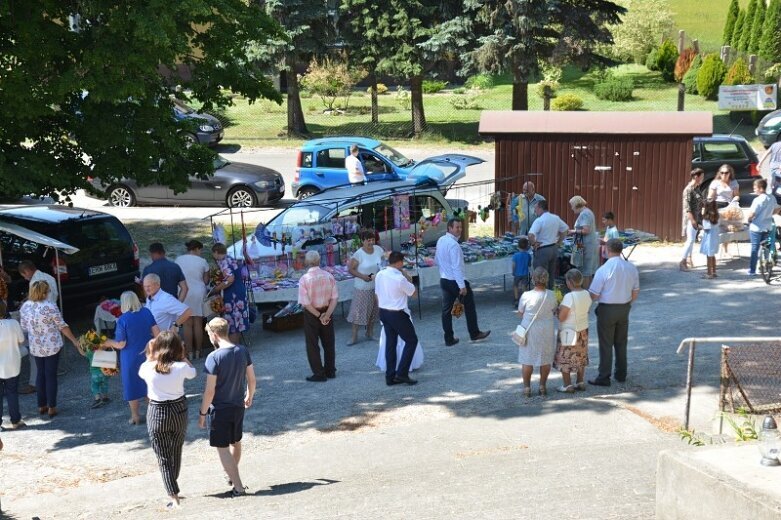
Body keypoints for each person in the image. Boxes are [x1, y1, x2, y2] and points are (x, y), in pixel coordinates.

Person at [198, 317, 256, 497]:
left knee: (222, 448)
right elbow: (252, 379)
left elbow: (209, 391)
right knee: (236, 442)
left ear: (214, 335)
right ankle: (232, 474)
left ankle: (238, 486)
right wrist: (249, 395)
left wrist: (202, 413)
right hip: (238, 405)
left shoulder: (213, 357)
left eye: (208, 334)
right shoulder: (242, 350)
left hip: (220, 409)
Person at [139, 332, 196, 509]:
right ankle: (173, 484)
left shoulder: (147, 368)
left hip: (157, 411)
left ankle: (173, 495)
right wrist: (184, 356)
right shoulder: (180, 367)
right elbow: (193, 373)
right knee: (176, 448)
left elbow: (143, 368)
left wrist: (150, 354)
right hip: (179, 409)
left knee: (163, 457)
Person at [19, 281, 80, 418]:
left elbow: (23, 327)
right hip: (52, 345)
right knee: (51, 375)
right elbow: (62, 326)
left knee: (40, 374)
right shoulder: (50, 306)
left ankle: (42, 405)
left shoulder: (25, 307)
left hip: (36, 346)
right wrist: (74, 341)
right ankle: (52, 406)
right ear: (44, 292)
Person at [588, 239, 640, 387]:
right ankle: (621, 373)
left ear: (607, 250)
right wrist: (628, 303)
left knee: (606, 344)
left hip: (607, 308)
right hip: (624, 307)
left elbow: (593, 294)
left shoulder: (603, 269)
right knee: (621, 342)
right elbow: (636, 291)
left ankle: (604, 376)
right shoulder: (631, 267)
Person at [103, 291, 160, 425]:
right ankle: (155, 414)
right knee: (149, 384)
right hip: (148, 353)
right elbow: (157, 334)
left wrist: (107, 342)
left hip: (130, 357)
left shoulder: (123, 319)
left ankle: (135, 416)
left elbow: (121, 344)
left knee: (131, 385)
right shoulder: (147, 312)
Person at [434, 218, 490, 346]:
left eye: (460, 227)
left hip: (444, 280)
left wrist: (444, 270)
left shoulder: (441, 240)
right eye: (456, 227)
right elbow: (456, 267)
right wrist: (462, 286)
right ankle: (474, 333)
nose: (459, 229)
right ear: (449, 228)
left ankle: (449, 339)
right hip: (455, 281)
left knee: (446, 311)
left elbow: (436, 260)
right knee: (469, 307)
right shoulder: (454, 245)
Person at [375, 251, 419, 386]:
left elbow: (376, 294)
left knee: (390, 344)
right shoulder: (399, 278)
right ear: (399, 262)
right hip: (397, 313)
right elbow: (414, 294)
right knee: (411, 341)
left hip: (384, 311)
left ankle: (390, 376)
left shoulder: (380, 274)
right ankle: (402, 373)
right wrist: (405, 274)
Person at [297, 251, 338, 382]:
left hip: (312, 313)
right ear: (319, 261)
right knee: (329, 342)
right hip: (327, 311)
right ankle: (330, 370)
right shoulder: (329, 276)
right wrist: (327, 314)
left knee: (312, 344)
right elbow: (335, 298)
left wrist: (319, 315)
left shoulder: (304, 279)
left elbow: (306, 303)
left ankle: (319, 373)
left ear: (307, 263)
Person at [516, 267, 557, 397]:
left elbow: (520, 313)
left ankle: (527, 388)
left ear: (533, 279)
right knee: (545, 359)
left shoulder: (526, 296)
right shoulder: (552, 295)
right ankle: (542, 386)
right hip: (546, 329)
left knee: (527, 359)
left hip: (530, 329)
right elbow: (554, 310)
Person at [553, 269, 591, 393]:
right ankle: (580, 381)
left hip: (569, 329)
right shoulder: (586, 293)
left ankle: (567, 384)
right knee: (580, 355)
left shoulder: (569, 296)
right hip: (583, 328)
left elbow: (562, 317)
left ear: (570, 282)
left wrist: (556, 310)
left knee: (565, 357)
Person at [346, 229, 383, 345]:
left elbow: (384, 262)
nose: (371, 242)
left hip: (376, 286)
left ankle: (369, 333)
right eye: (368, 240)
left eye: (373, 240)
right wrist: (363, 276)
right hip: (362, 287)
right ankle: (354, 337)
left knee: (373, 311)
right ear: (363, 241)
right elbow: (351, 269)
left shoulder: (378, 250)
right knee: (358, 311)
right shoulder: (359, 254)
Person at [175, 240, 210, 358]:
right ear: (197, 249)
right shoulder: (203, 261)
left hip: (184, 292)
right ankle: (198, 351)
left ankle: (189, 352)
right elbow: (206, 281)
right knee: (198, 323)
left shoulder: (179, 260)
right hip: (199, 292)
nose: (201, 252)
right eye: (201, 250)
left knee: (186, 323)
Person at [211, 243, 250, 344]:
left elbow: (230, 279)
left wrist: (217, 288)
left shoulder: (223, 262)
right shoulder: (230, 258)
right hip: (239, 291)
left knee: (232, 323)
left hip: (233, 294)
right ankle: (236, 346)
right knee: (237, 323)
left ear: (216, 252)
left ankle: (233, 347)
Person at [527, 200, 569, 289]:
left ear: (540, 208)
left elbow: (530, 235)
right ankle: (550, 294)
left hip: (543, 249)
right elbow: (565, 230)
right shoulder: (555, 218)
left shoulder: (539, 220)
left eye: (536, 209)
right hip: (553, 248)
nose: (535, 211)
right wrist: (559, 242)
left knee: (540, 274)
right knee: (551, 274)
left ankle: (541, 295)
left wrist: (534, 243)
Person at [0, 301, 26, 430]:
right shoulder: (13, 324)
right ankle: (15, 420)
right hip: (12, 363)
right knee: (12, 392)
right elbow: (21, 340)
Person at [747, 178, 779, 276]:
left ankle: (752, 270)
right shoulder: (772, 198)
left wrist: (748, 220)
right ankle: (766, 266)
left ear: (761, 189)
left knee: (754, 249)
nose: (754, 189)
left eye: (755, 188)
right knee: (767, 248)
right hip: (767, 226)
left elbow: (752, 214)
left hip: (756, 228)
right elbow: (778, 208)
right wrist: (769, 214)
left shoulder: (757, 200)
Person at [568, 196, 600, 288]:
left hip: (585, 246)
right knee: (588, 271)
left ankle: (585, 293)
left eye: (572, 206)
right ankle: (587, 293)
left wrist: (572, 231)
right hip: (587, 244)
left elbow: (586, 230)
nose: (571, 208)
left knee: (585, 272)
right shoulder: (588, 212)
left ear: (576, 205)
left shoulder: (584, 214)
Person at [680, 169, 705, 271]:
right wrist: (693, 221)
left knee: (692, 240)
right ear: (696, 177)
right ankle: (682, 261)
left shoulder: (696, 189)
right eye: (701, 177)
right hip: (691, 219)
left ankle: (689, 259)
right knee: (690, 240)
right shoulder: (689, 190)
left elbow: (701, 200)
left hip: (697, 217)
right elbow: (687, 208)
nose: (702, 179)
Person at [700, 200, 720, 279]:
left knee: (709, 256)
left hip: (709, 239)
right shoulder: (718, 216)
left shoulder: (706, 218)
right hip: (715, 238)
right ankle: (714, 272)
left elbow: (706, 229)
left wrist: (700, 226)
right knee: (713, 255)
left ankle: (709, 273)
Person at [511, 237, 532, 307]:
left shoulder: (515, 255)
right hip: (525, 273)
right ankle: (525, 300)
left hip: (517, 273)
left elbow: (514, 265)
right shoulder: (528, 255)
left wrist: (513, 271)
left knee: (515, 285)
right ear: (527, 247)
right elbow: (529, 264)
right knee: (524, 286)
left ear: (518, 246)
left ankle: (516, 299)